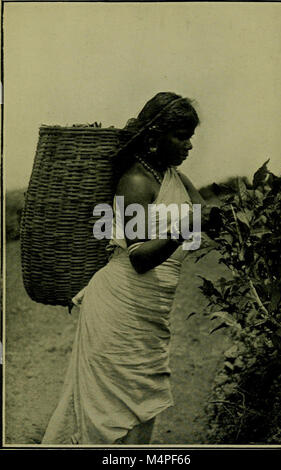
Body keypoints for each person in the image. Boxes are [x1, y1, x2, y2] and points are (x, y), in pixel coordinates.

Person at [41, 91, 213, 445]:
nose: (189, 145)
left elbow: (200, 210)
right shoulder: (136, 182)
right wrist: (185, 228)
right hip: (121, 306)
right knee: (110, 411)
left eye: (191, 137)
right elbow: (138, 256)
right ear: (153, 138)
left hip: (149, 311)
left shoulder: (171, 176)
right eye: (182, 136)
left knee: (139, 408)